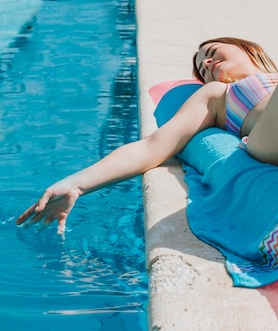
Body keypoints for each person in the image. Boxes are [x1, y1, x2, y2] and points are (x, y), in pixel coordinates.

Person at [16, 37, 278, 234]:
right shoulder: (217, 93)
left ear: (249, 48)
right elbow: (150, 148)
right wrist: (76, 183)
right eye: (203, 68)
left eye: (210, 54)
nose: (207, 63)